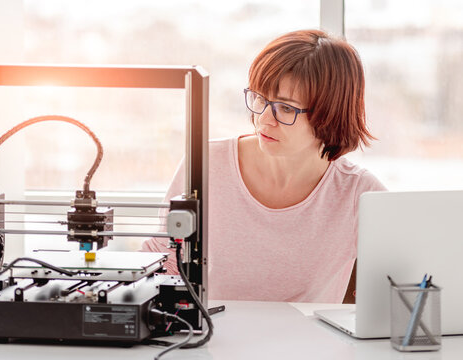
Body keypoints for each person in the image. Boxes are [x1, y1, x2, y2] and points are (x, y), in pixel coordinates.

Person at [141, 29, 386, 303]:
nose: (264, 120)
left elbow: (402, 284)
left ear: (329, 115)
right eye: (260, 98)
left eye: (286, 109)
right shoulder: (205, 163)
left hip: (311, 344)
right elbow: (165, 258)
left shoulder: (361, 194)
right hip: (215, 338)